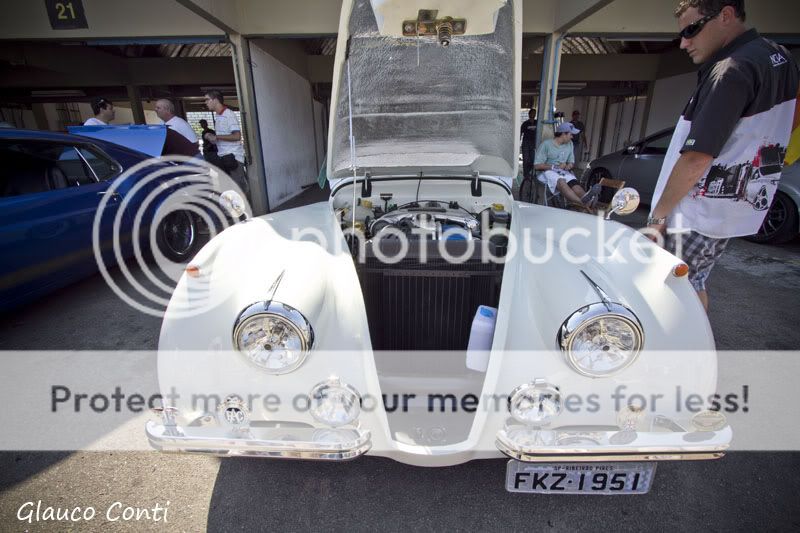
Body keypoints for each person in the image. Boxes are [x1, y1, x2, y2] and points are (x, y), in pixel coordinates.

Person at [646, 0, 798, 312]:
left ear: (726, 15)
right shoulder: (779, 56)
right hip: (735, 203)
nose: (684, 43)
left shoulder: (732, 69)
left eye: (691, 30)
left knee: (671, 290)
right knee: (692, 281)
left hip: (698, 207)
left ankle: (687, 343)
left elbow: (696, 157)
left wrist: (658, 217)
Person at [203, 90, 249, 196]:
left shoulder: (229, 114)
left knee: (238, 192)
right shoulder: (219, 116)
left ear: (215, 100)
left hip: (233, 158)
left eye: (207, 100)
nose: (205, 102)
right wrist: (211, 137)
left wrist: (216, 137)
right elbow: (222, 137)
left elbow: (237, 136)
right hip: (224, 158)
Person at [534, 122, 591, 206]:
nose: (572, 137)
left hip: (563, 172)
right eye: (571, 134)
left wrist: (569, 166)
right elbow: (537, 166)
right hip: (547, 172)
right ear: (563, 134)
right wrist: (555, 167)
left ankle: (589, 200)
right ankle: (583, 203)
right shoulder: (546, 145)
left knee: (575, 185)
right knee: (561, 182)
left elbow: (571, 161)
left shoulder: (570, 144)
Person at [520, 108, 537, 180]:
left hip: (534, 143)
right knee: (526, 159)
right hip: (526, 143)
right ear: (529, 114)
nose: (533, 114)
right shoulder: (525, 123)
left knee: (533, 159)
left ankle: (531, 173)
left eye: (534, 113)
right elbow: (520, 133)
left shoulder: (537, 123)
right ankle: (526, 175)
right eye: (532, 113)